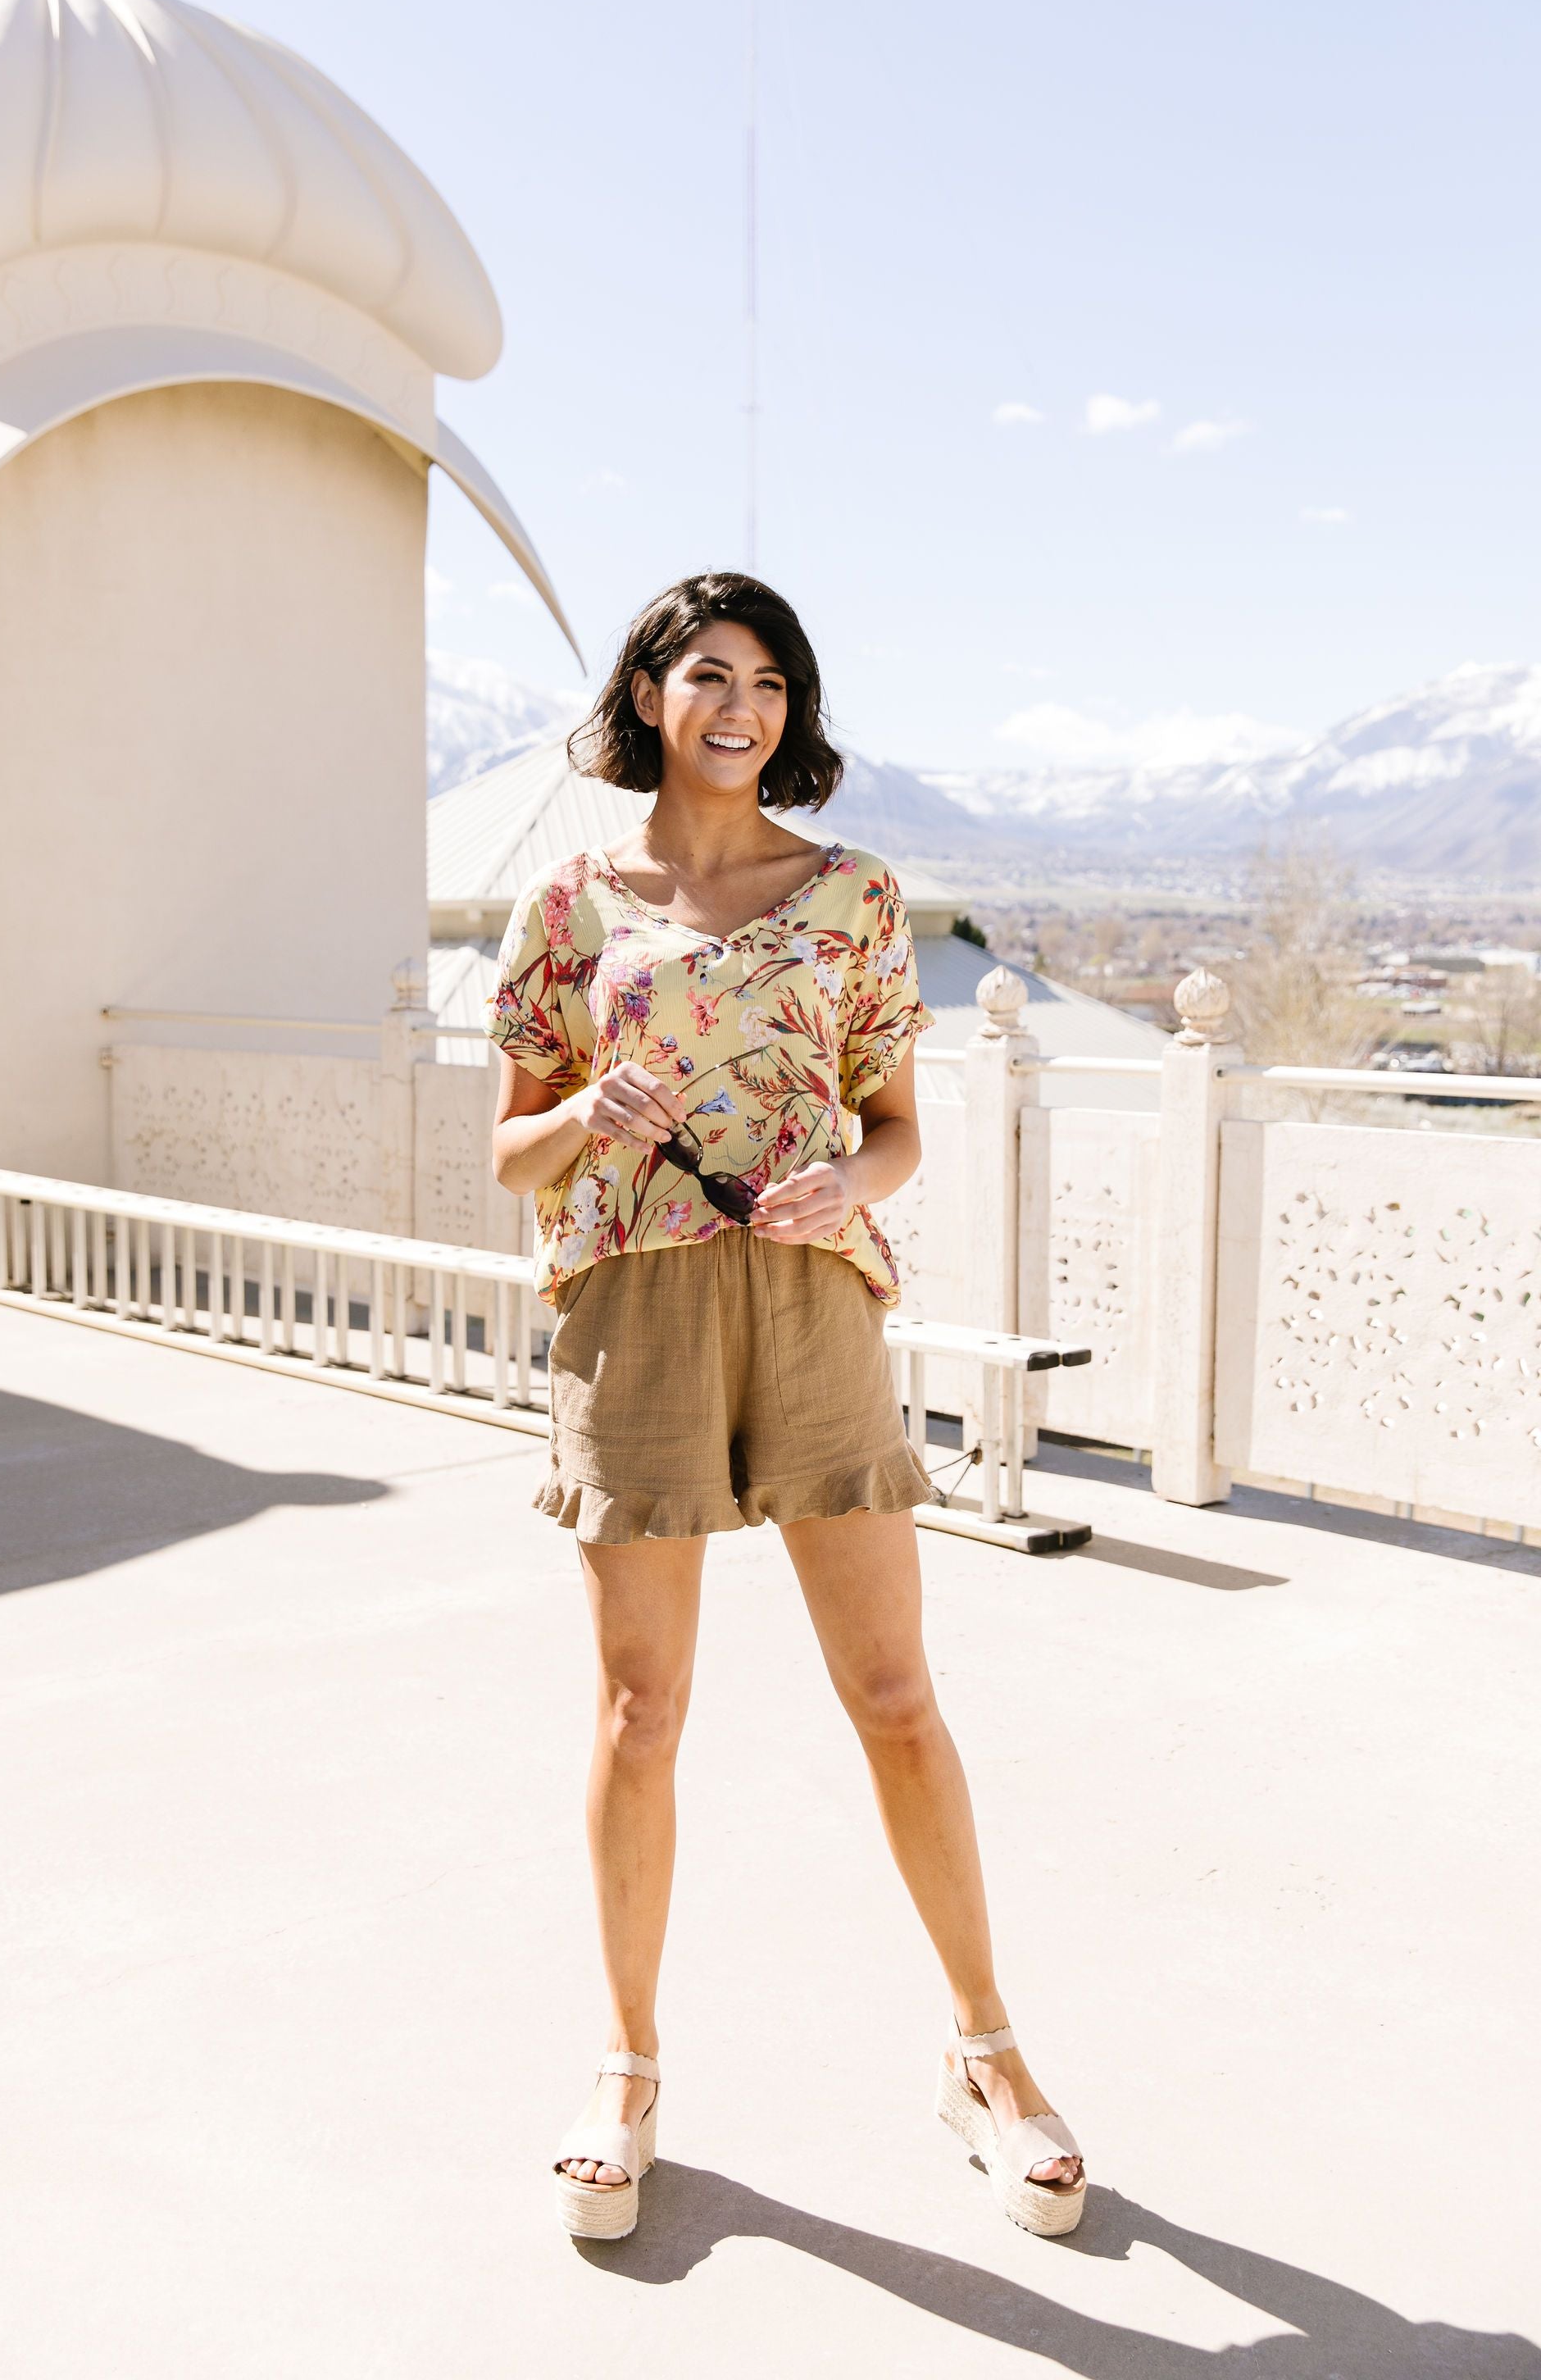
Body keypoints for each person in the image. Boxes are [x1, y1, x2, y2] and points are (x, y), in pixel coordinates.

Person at [484, 573, 1084, 2243]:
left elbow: (895, 1130)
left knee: (893, 1692)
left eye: (767, 680)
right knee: (639, 1715)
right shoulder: (572, 905)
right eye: (706, 674)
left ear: (789, 713)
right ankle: (624, 2068)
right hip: (633, 1300)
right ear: (652, 695)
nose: (738, 705)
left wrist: (849, 1184)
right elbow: (507, 1152)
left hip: (816, 1298)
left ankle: (987, 2058)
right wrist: (588, 1118)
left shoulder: (854, 899)